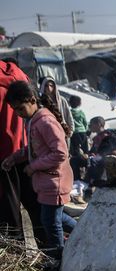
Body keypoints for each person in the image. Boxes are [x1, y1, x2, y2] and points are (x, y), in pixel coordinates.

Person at [1, 81, 75, 259]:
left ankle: (59, 258)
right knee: (54, 218)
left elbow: (60, 153)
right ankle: (86, 231)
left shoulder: (45, 122)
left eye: (20, 109)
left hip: (54, 181)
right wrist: (14, 158)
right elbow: (34, 150)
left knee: (51, 222)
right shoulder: (33, 121)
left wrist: (33, 167)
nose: (18, 114)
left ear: (32, 100)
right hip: (46, 183)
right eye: (15, 110)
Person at [0, 59, 43, 244]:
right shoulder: (17, 72)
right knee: (37, 207)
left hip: (3, 157)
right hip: (27, 151)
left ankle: (15, 258)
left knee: (8, 212)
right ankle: (51, 253)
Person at [68, 95, 89, 181]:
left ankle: (77, 174)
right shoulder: (81, 112)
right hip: (83, 132)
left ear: (69, 103)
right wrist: (85, 130)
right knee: (86, 150)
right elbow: (85, 123)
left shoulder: (69, 112)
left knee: (75, 152)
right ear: (79, 103)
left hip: (74, 134)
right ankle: (88, 171)